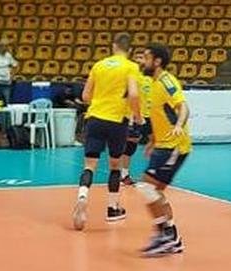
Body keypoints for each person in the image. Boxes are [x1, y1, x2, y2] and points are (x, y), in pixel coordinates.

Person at [72, 33, 142, 230]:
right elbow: (134, 94)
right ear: (130, 50)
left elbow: (85, 96)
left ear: (113, 46)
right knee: (114, 166)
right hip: (117, 121)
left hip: (95, 118)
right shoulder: (131, 67)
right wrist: (137, 116)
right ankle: (112, 208)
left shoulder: (99, 65)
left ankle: (83, 195)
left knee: (89, 165)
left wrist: (101, 98)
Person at [134, 44, 191, 257]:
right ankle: (171, 237)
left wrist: (179, 125)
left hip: (174, 145)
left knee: (147, 187)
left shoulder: (167, 81)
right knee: (154, 190)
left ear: (157, 61)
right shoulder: (152, 82)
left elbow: (183, 107)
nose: (143, 61)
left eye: (146, 57)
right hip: (163, 144)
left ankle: (165, 236)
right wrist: (153, 141)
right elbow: (159, 115)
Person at [120, 45, 153, 186]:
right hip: (136, 115)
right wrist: (132, 115)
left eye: (142, 57)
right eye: (137, 57)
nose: (140, 60)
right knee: (130, 145)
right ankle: (124, 174)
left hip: (151, 115)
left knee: (157, 142)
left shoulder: (151, 77)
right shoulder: (131, 76)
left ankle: (153, 173)